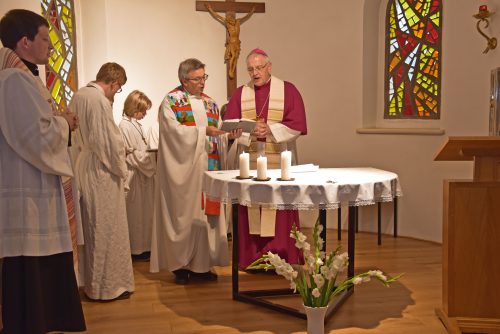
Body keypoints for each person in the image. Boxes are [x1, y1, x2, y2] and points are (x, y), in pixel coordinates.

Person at [0, 9, 85, 333]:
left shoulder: (21, 77)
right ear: (24, 42)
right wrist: (64, 122)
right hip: (28, 192)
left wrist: (58, 120)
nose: (51, 46)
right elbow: (36, 134)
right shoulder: (15, 80)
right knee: (31, 268)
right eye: (45, 39)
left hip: (34, 186)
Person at [150, 58, 241, 285]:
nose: (202, 83)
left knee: (208, 218)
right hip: (185, 173)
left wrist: (228, 136)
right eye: (197, 79)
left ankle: (202, 265)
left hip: (209, 171)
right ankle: (180, 266)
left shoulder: (211, 104)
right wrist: (203, 133)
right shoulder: (171, 101)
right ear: (184, 79)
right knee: (185, 216)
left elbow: (217, 134)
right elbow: (172, 134)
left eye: (204, 78)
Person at [224, 48, 307, 269]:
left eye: (259, 68)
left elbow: (296, 124)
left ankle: (282, 256)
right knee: (250, 207)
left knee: (279, 209)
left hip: (279, 163)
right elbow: (230, 127)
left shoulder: (288, 90)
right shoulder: (241, 93)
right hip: (249, 162)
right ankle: (251, 258)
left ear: (269, 67)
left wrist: (270, 130)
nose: (255, 73)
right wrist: (247, 132)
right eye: (250, 69)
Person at [70, 62, 134, 300]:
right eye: (117, 90)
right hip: (102, 172)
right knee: (106, 228)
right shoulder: (98, 101)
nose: (115, 94)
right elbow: (107, 141)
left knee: (92, 226)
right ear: (114, 83)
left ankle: (91, 283)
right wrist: (121, 167)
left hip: (85, 165)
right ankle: (107, 287)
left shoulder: (79, 95)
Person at [119, 90, 155, 260]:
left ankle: (145, 247)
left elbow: (139, 149)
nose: (145, 114)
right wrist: (152, 159)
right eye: (143, 110)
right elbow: (131, 154)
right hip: (134, 174)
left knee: (144, 214)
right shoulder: (124, 126)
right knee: (135, 215)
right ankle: (136, 250)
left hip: (143, 174)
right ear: (134, 109)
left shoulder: (136, 125)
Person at [206, 4, 255, 79]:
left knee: (235, 57)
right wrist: (210, 9)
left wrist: (251, 11)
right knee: (233, 56)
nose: (231, 20)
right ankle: (231, 70)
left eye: (232, 19)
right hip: (231, 43)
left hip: (237, 43)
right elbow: (218, 16)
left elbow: (246, 17)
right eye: (230, 19)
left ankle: (232, 70)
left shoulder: (238, 22)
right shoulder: (228, 25)